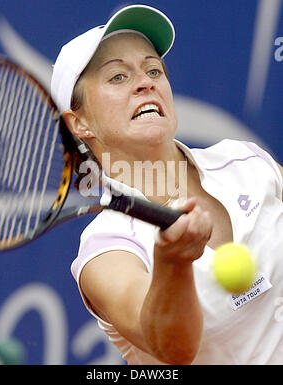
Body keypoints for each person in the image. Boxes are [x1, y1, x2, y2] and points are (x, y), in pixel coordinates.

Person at [51, 4, 283, 365]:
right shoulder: (106, 250)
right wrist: (172, 263)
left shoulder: (246, 161)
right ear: (79, 123)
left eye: (153, 69)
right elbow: (173, 348)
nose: (146, 82)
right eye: (118, 77)